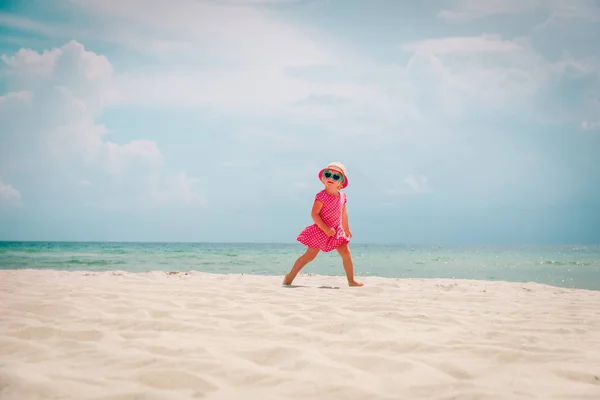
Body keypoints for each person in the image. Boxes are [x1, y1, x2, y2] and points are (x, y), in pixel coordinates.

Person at [283, 162, 364, 287]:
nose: (331, 178)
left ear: (341, 182)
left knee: (346, 254)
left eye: (336, 177)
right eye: (328, 175)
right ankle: (290, 276)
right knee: (309, 257)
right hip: (321, 230)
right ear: (323, 178)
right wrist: (325, 229)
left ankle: (351, 280)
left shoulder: (342, 196)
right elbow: (314, 214)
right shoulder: (322, 196)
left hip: (336, 231)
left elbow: (343, 214)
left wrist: (346, 228)